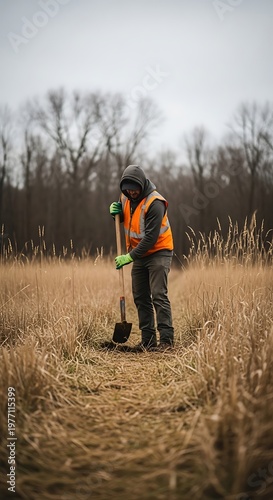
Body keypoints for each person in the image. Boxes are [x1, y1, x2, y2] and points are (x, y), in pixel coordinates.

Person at [109, 164, 174, 351]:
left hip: (159, 252)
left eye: (134, 188)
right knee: (140, 296)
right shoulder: (125, 197)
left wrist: (128, 257)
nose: (131, 192)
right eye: (127, 189)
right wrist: (115, 215)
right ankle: (148, 340)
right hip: (139, 254)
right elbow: (126, 220)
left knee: (158, 295)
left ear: (142, 184)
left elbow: (150, 239)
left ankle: (167, 341)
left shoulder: (155, 203)